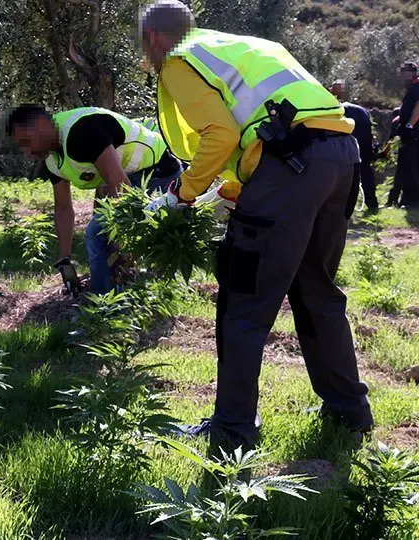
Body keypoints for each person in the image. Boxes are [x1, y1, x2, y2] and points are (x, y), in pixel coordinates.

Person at [140, 0, 374, 452]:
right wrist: (235, 188)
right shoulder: (244, 47)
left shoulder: (178, 60)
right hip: (339, 157)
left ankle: (232, 432)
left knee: (242, 299)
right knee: (317, 290)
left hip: (290, 163)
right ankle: (349, 412)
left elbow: (220, 135)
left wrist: (181, 194)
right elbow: (260, 127)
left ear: (154, 38)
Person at [5, 105, 183, 295]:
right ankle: (112, 296)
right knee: (102, 234)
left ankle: (109, 302)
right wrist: (64, 260)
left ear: (41, 125)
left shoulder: (81, 130)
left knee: (100, 233)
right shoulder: (52, 159)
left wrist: (121, 244)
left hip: (161, 172)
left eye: (26, 141)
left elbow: (120, 186)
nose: (26, 152)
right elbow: (63, 209)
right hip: (134, 177)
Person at [329, 80, 379, 212]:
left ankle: (345, 207)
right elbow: (370, 133)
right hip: (364, 142)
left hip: (347, 146)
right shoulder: (361, 110)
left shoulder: (336, 109)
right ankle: (372, 203)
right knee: (366, 170)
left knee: (347, 172)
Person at [388, 63, 419, 208]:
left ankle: (413, 201)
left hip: (414, 133)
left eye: (403, 72)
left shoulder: (417, 87)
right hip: (409, 133)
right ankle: (405, 199)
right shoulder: (411, 88)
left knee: (412, 166)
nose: (401, 75)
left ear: (411, 72)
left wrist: (409, 125)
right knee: (406, 166)